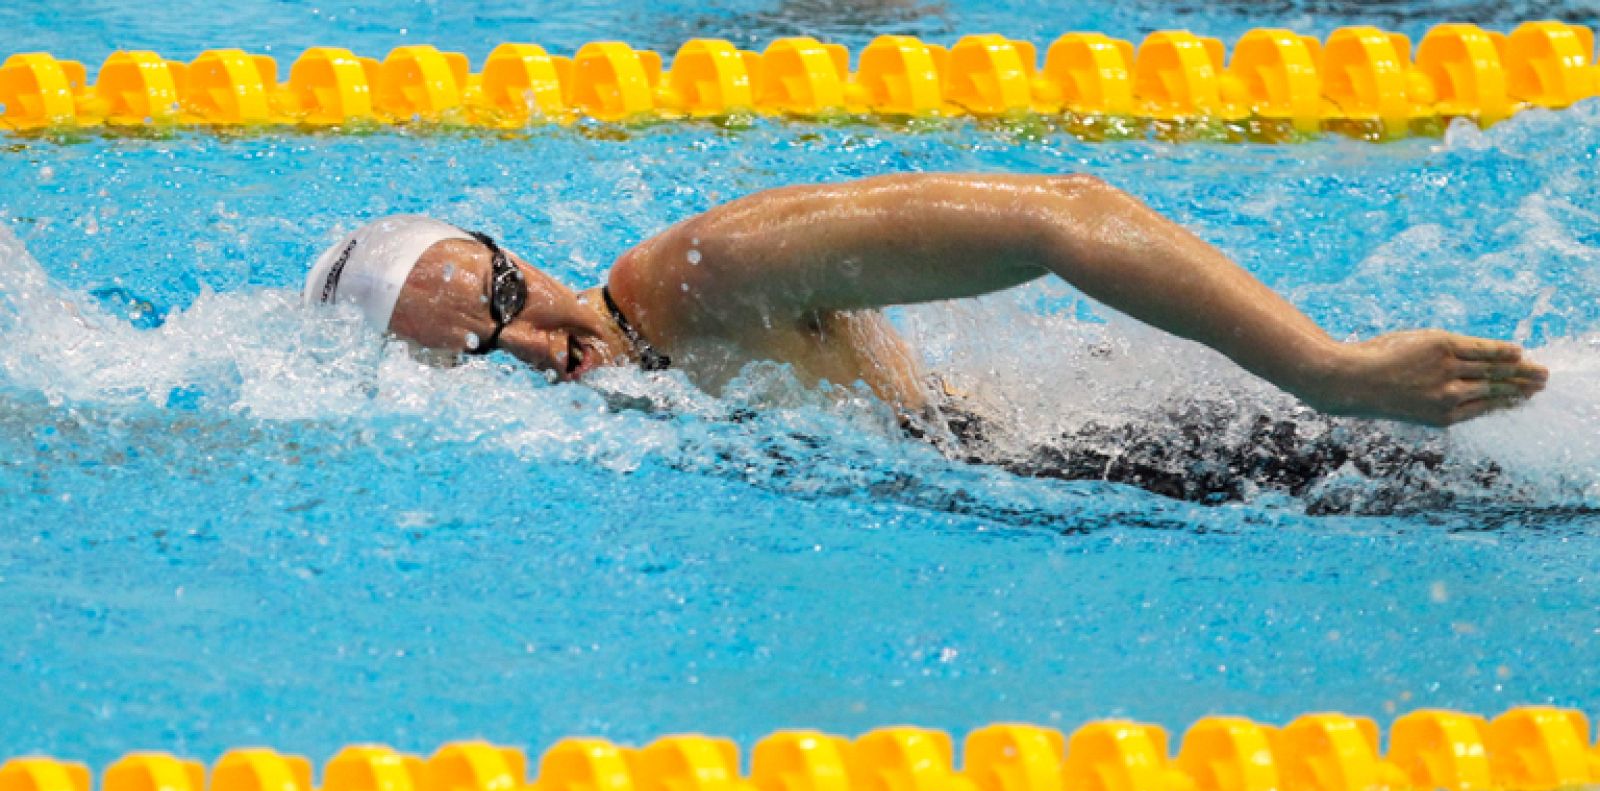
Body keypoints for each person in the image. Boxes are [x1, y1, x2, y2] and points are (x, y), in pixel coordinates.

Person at [305, 173, 1548, 502]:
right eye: (474, 354)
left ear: (523, 254)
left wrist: (1325, 370)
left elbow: (1063, 216)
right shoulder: (620, 428)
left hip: (1204, 453)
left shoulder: (702, 275)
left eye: (507, 301)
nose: (535, 349)